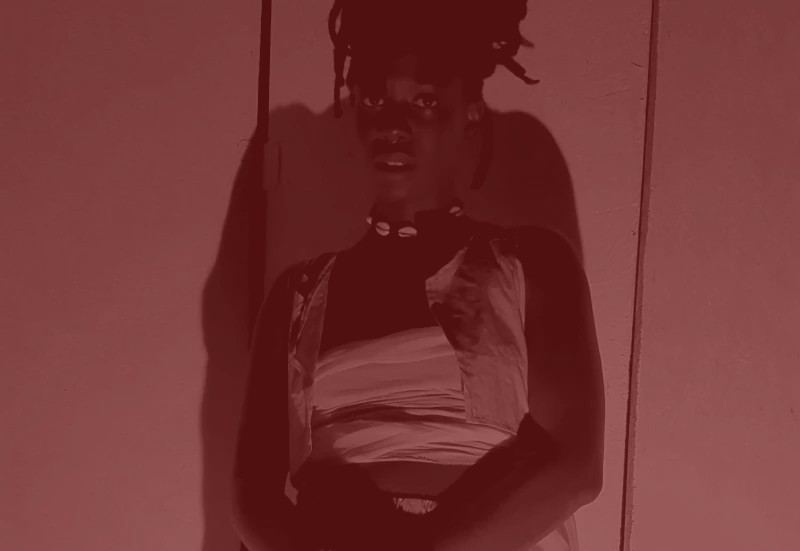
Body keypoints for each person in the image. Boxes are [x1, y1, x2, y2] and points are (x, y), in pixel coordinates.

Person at [232, 1, 605, 550]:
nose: (393, 125)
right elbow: (252, 499)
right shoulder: (298, 296)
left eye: (424, 101)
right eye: (374, 100)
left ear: (470, 115)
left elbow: (575, 468)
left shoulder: (530, 266)